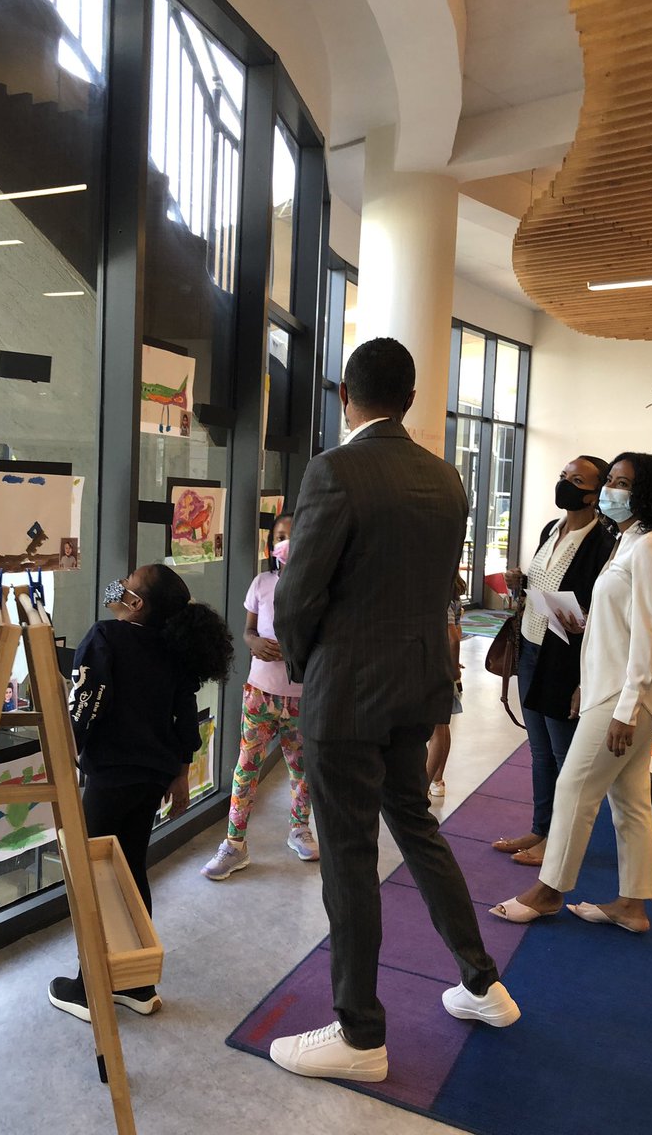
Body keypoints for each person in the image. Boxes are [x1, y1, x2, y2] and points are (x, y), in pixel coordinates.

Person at [269, 338, 519, 1085]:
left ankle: (360, 1033)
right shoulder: (446, 478)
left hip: (347, 692)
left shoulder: (334, 470)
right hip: (417, 684)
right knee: (416, 826)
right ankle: (483, 983)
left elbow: (297, 598)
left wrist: (307, 668)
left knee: (348, 856)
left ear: (345, 395)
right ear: (409, 400)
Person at [492, 452, 652, 933]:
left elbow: (650, 638)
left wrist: (624, 709)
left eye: (622, 483)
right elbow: (615, 625)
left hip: (627, 693)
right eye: (612, 481)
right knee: (630, 801)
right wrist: (588, 680)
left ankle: (548, 892)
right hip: (612, 687)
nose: (611, 491)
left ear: (647, 494)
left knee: (574, 787)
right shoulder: (630, 541)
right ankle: (631, 905)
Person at [49, 564, 234, 1019]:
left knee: (93, 878)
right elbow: (185, 716)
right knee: (129, 872)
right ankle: (137, 983)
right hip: (152, 778)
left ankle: (90, 987)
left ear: (137, 603)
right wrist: (182, 771)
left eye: (128, 582)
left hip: (110, 776)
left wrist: (65, 752)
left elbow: (85, 705)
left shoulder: (106, 636)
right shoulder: (173, 647)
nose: (118, 585)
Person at [491, 456, 614, 866]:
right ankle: (540, 829)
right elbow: (545, 587)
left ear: (595, 494)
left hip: (566, 658)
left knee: (565, 756)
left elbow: (600, 607)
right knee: (540, 751)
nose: (565, 485)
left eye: (576, 481)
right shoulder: (550, 528)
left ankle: (561, 843)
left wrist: (584, 676)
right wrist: (521, 583)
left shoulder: (603, 543)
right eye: (563, 477)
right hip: (531, 648)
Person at [200, 514, 318, 880]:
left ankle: (299, 828)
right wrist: (254, 643)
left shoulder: (319, 587)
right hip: (260, 693)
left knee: (302, 769)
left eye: (295, 536)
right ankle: (234, 843)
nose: (287, 543)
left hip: (301, 696)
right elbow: (248, 631)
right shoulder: (261, 583)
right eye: (280, 537)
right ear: (271, 546)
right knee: (246, 768)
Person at [426, 574, 466, 799]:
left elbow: (453, 637)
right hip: (444, 666)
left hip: (437, 667)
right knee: (442, 725)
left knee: (437, 729)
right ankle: (437, 779)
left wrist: (454, 671)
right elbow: (457, 632)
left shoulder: (440, 594)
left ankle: (424, 785)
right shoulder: (454, 593)